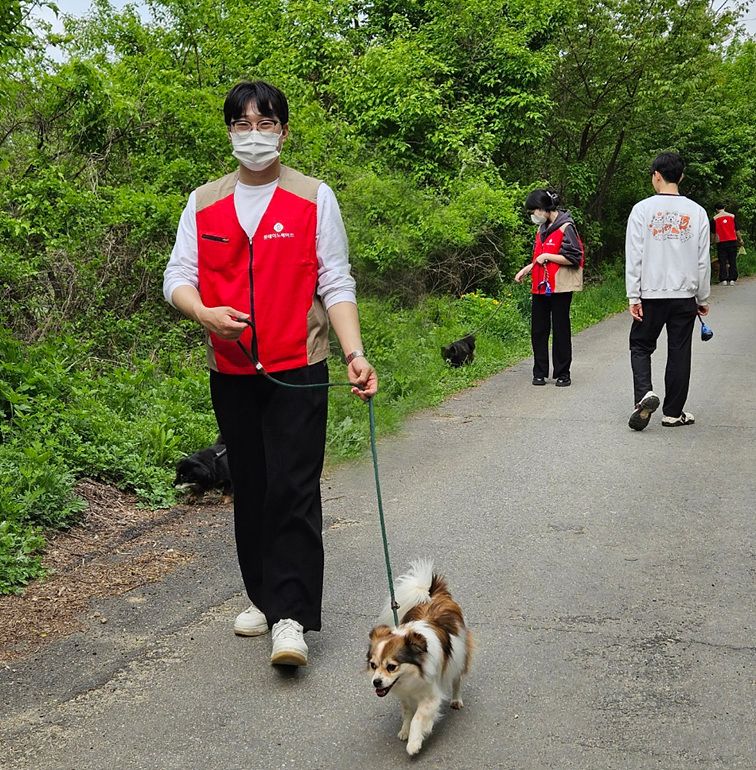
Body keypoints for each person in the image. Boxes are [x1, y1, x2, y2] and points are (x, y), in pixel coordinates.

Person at [163, 80, 378, 667]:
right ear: (229, 131)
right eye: (242, 124)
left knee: (294, 487)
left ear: (283, 130)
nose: (253, 134)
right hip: (230, 369)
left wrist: (355, 351)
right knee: (250, 487)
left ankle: (292, 615)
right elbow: (177, 276)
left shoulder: (313, 198)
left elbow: (335, 281)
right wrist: (203, 312)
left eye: (265, 123)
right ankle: (262, 595)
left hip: (299, 367)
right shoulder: (204, 201)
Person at [625, 152, 710, 431]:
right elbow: (702, 260)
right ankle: (673, 413)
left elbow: (634, 255)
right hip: (684, 295)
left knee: (640, 345)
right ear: (681, 176)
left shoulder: (641, 210)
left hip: (650, 294)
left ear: (656, 176)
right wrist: (702, 297)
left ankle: (645, 394)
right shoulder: (697, 212)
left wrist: (633, 296)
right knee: (679, 351)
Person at [514, 189, 585, 387]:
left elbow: (574, 257)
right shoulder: (542, 228)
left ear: (543, 208)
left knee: (561, 329)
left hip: (560, 286)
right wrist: (526, 270)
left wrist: (548, 257)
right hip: (540, 286)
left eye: (533, 211)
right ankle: (539, 372)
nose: (532, 216)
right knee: (538, 329)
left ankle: (563, 373)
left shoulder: (566, 226)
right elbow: (539, 257)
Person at [711, 203, 744, 285]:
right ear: (724, 208)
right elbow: (737, 230)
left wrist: (713, 242)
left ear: (716, 209)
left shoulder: (714, 219)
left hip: (721, 243)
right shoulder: (732, 216)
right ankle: (732, 279)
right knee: (732, 261)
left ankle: (723, 280)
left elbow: (714, 233)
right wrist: (740, 240)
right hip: (732, 241)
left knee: (722, 261)